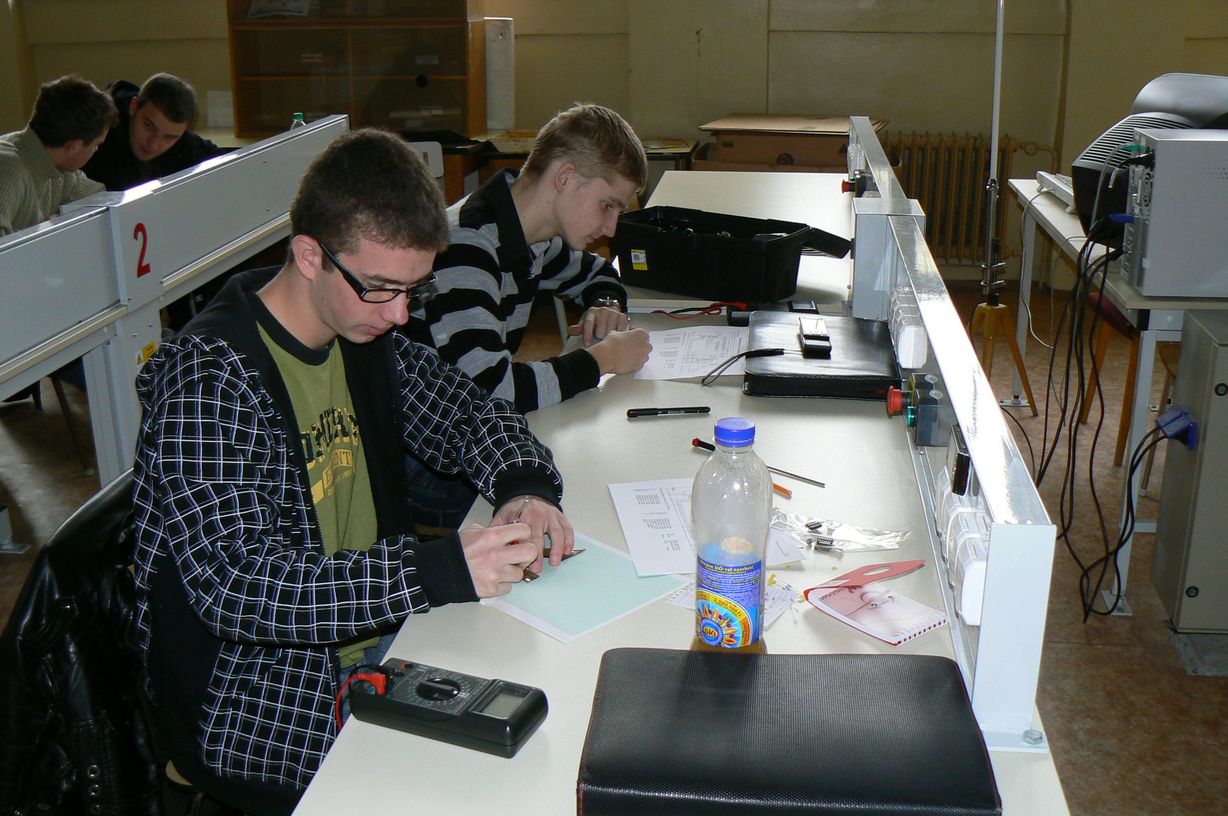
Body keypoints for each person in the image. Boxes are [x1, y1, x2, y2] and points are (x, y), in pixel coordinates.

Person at [131, 128, 575, 815]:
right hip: (261, 692)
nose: (398, 315)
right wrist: (431, 572)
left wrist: (525, 488)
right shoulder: (210, 379)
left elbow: (469, 414)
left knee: (546, 721)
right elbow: (238, 587)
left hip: (375, 629)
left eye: (413, 291)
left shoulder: (359, 330)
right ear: (310, 255)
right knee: (485, 789)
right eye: (382, 289)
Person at [403, 102, 653, 528]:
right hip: (428, 462)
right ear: (565, 178)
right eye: (607, 206)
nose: (612, 228)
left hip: (473, 435)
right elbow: (492, 389)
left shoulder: (530, 235)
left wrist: (605, 305)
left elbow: (596, 273)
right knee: (585, 492)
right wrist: (602, 359)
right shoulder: (466, 247)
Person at [0, 74, 116, 237]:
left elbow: (100, 198)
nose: (96, 150)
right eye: (96, 144)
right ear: (74, 147)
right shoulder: (9, 171)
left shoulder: (61, 167)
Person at [83, 72, 225, 191]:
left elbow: (227, 164)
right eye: (149, 126)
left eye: (169, 137)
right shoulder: (93, 135)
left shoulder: (182, 140)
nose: (153, 144)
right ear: (134, 106)